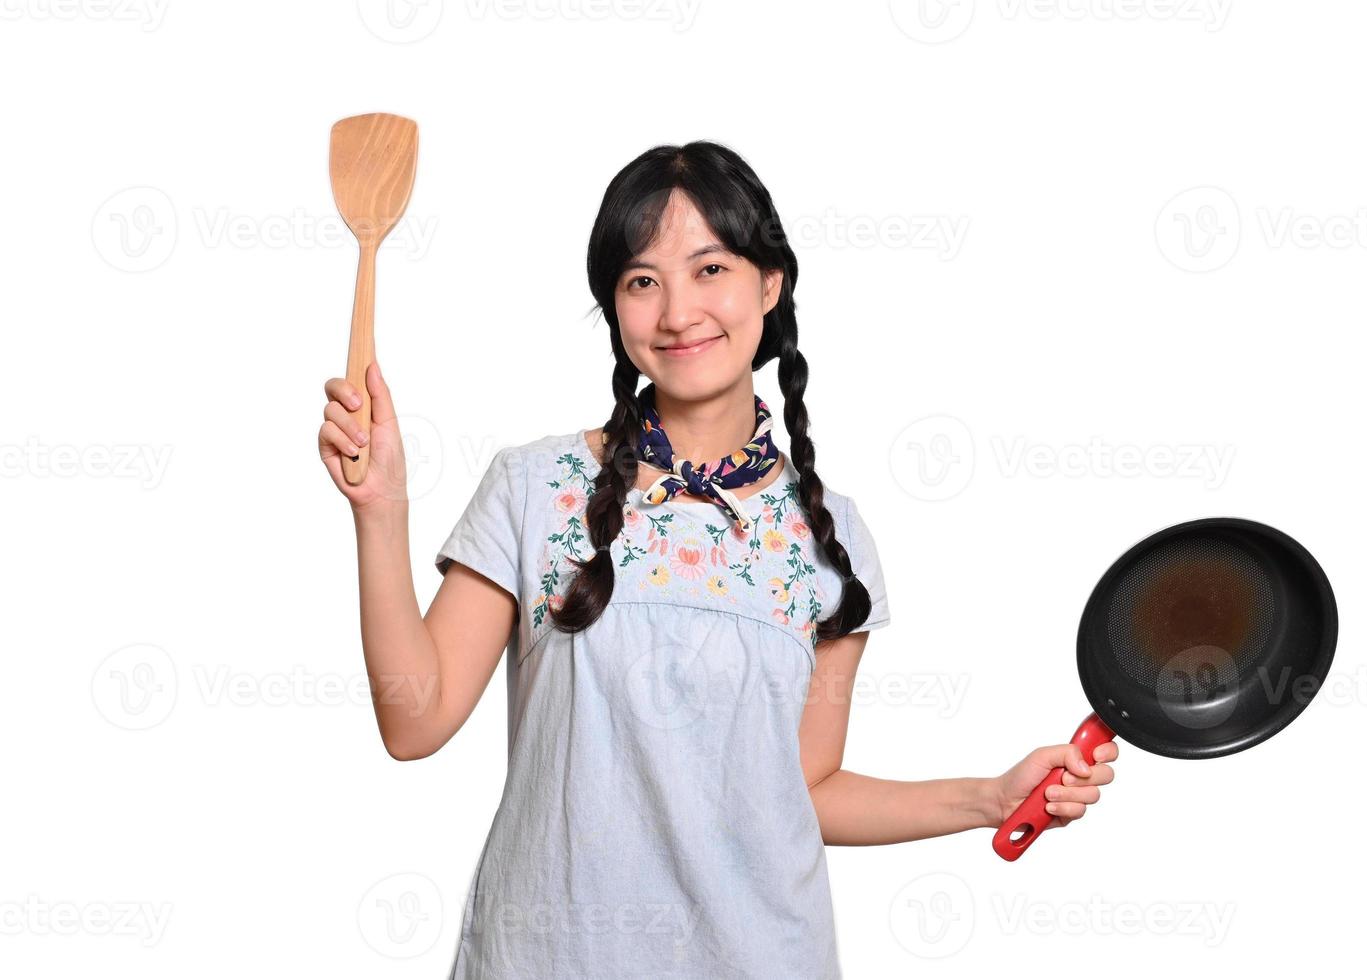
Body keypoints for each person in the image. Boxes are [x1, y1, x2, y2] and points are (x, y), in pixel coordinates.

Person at [317, 141, 1119, 979]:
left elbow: (804, 790)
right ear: (616, 309)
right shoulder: (537, 487)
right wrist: (381, 513)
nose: (676, 312)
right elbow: (416, 721)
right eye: (641, 280)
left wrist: (990, 797)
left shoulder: (831, 538)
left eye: (710, 269)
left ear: (769, 284)